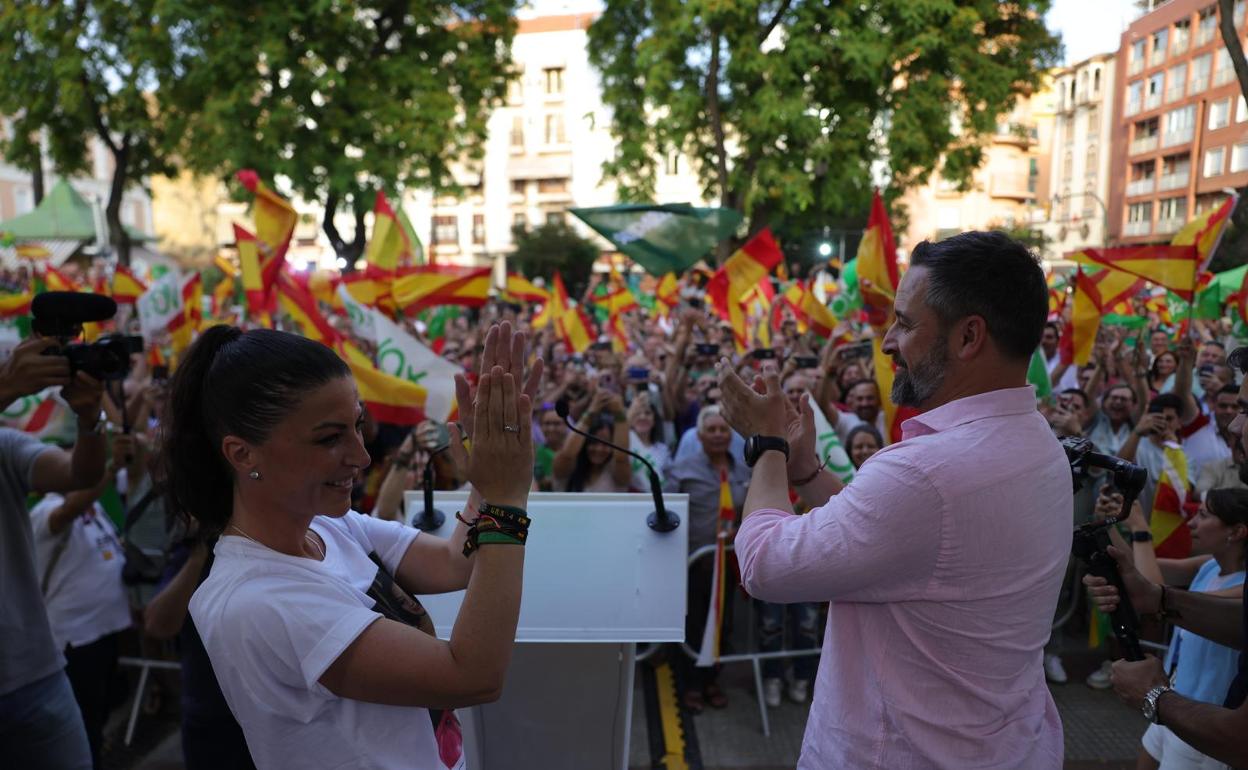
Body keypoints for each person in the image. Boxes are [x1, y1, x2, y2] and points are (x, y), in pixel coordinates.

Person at [717, 231, 1068, 768]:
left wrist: (765, 447)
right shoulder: (1039, 443)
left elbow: (764, 565)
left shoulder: (926, 474)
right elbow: (889, 541)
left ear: (969, 336)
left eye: (904, 323)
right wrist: (806, 470)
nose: (885, 342)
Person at [168, 322, 538, 770]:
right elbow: (472, 676)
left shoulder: (326, 526)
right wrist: (505, 500)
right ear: (242, 454)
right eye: (329, 438)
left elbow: (452, 563)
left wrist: (489, 472)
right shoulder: (257, 601)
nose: (361, 456)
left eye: (358, 426)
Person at [1084, 344, 1248, 769]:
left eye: (1245, 410)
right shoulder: (1211, 566)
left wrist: (1155, 695)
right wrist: (1153, 597)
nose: (1233, 424)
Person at [0, 337, 107, 770]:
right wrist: (7, 387)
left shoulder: (5, 445)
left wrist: (89, 418)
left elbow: (80, 473)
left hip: (36, 677)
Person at [30, 434, 135, 769]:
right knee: (83, 724)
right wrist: (109, 468)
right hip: (76, 639)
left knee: (100, 715)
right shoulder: (45, 511)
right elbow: (69, 509)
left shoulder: (95, 506)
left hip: (106, 630)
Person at [663, 405, 751, 712]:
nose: (717, 435)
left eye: (722, 429)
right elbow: (667, 515)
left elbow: (750, 512)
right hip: (693, 563)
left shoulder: (743, 469)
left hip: (728, 564)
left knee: (723, 625)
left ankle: (712, 679)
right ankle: (690, 685)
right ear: (699, 436)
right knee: (693, 624)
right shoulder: (681, 469)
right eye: (711, 430)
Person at [551, 388, 632, 493]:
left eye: (605, 444)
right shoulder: (568, 467)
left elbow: (622, 456)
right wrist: (591, 411)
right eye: (593, 443)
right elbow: (568, 454)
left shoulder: (616, 470)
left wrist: (619, 412)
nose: (599, 449)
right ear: (583, 443)